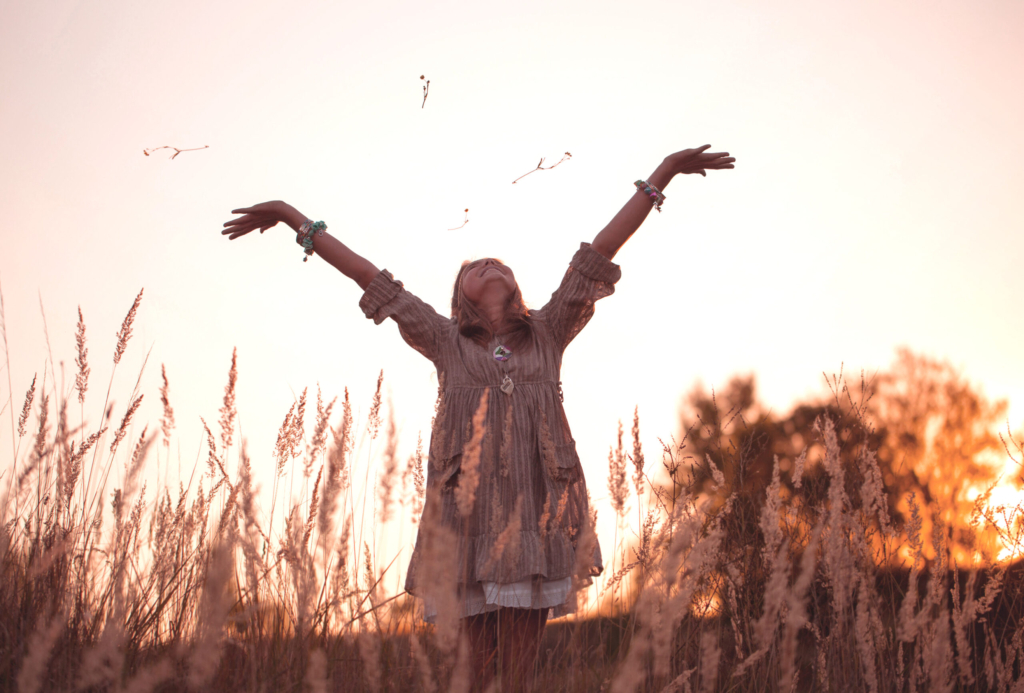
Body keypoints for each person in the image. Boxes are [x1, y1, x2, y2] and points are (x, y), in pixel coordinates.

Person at [222, 144, 734, 691]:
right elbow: (368, 275)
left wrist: (664, 173)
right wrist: (289, 215)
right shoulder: (444, 339)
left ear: (516, 286)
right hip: (467, 521)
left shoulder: (549, 329)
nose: (489, 263)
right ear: (461, 296)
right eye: (474, 266)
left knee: (517, 672)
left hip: (539, 514)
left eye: (499, 262)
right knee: (474, 673)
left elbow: (601, 249)